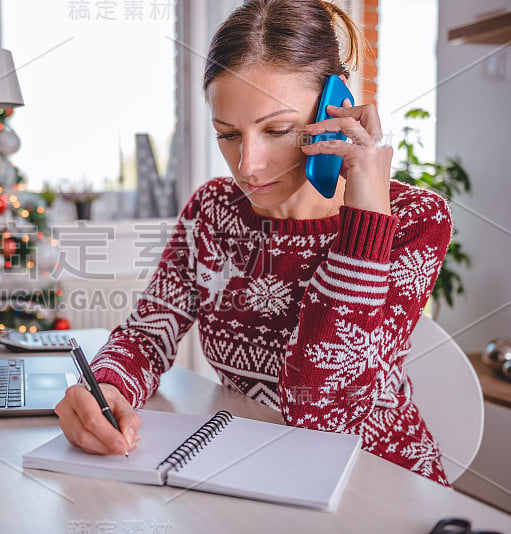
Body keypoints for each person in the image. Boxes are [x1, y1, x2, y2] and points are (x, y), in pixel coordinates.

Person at [55, 0, 452, 487]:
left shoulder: (413, 220)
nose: (248, 165)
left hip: (383, 484)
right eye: (228, 135)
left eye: (277, 130)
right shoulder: (213, 210)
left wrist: (365, 219)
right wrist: (107, 387)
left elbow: (321, 414)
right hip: (255, 472)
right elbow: (145, 334)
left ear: (336, 111)